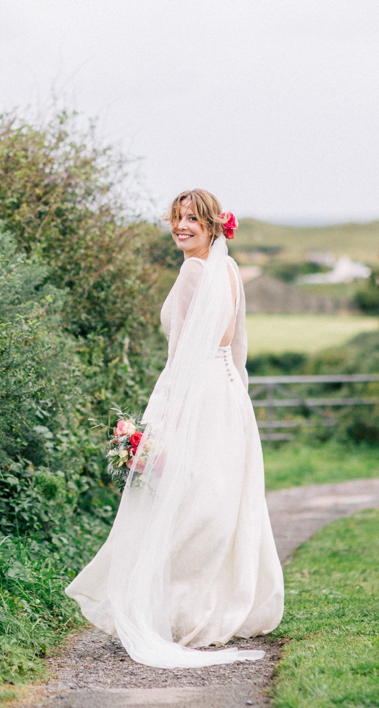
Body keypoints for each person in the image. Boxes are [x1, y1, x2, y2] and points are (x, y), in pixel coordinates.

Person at [66, 189, 284, 668]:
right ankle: (217, 605)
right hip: (227, 392)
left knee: (185, 498)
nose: (181, 226)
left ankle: (182, 611)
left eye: (192, 219)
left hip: (195, 392)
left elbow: (183, 353)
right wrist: (236, 392)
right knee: (222, 497)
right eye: (177, 218)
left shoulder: (194, 271)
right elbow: (237, 345)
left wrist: (160, 413)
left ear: (211, 225)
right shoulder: (228, 269)